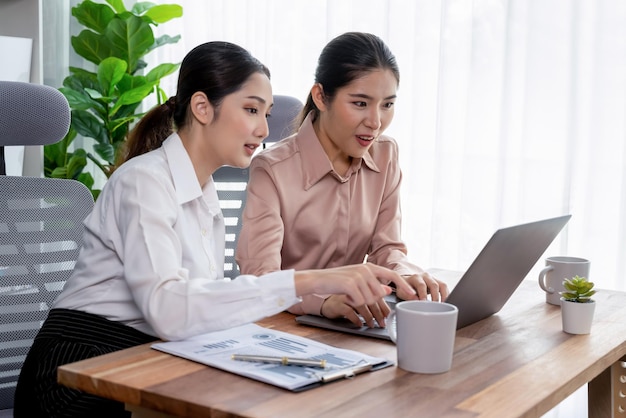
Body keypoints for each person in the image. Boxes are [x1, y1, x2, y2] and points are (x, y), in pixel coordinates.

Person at [13, 41, 414, 418]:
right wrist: (311, 282)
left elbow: (199, 307)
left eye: (267, 114)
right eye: (251, 110)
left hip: (146, 360)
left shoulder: (205, 196)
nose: (263, 130)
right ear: (203, 108)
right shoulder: (143, 182)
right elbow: (170, 309)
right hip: (77, 373)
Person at [236, 32, 449, 330]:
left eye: (387, 105)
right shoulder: (272, 170)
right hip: (282, 327)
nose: (375, 122)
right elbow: (262, 278)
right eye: (360, 103)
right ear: (321, 97)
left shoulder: (386, 155)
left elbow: (387, 249)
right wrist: (323, 302)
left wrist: (405, 276)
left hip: (352, 325)